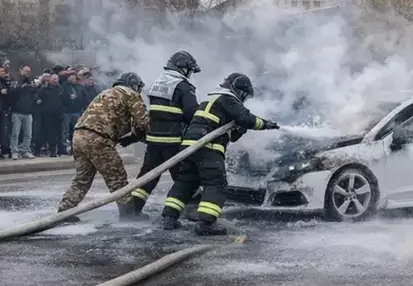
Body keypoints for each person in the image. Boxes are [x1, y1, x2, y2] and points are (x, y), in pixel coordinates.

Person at [161, 73, 279, 235]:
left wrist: (240, 129)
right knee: (216, 184)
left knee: (186, 182)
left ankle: (169, 218)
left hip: (189, 147)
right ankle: (206, 224)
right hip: (207, 147)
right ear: (239, 90)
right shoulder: (227, 98)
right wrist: (266, 124)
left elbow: (234, 132)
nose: (244, 99)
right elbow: (246, 118)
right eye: (245, 95)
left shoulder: (212, 99)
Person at [56, 72, 150, 221]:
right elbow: (144, 122)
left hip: (79, 135)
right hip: (98, 138)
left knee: (82, 179)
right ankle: (129, 214)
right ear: (133, 84)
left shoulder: (105, 93)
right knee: (117, 178)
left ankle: (64, 211)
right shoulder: (130, 94)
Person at [128, 50, 201, 216]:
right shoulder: (184, 86)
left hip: (154, 139)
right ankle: (195, 211)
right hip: (173, 140)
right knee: (185, 177)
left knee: (147, 176)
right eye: (190, 70)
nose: (190, 74)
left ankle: (133, 210)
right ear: (183, 68)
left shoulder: (158, 82)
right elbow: (191, 113)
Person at [9, 64, 36, 159]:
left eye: (29, 71)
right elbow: (11, 91)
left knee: (28, 134)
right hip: (17, 111)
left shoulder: (31, 80)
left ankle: (26, 150)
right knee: (15, 133)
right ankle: (14, 150)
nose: (27, 73)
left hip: (28, 111)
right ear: (21, 70)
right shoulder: (15, 79)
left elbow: (34, 92)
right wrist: (21, 86)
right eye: (25, 71)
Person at [34, 74, 64, 157]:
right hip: (46, 115)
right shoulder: (44, 89)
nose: (55, 81)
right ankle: (37, 150)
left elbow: (62, 101)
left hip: (57, 115)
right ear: (50, 80)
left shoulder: (60, 89)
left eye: (56, 79)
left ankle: (53, 151)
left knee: (54, 135)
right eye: (54, 79)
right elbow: (37, 97)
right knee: (42, 133)